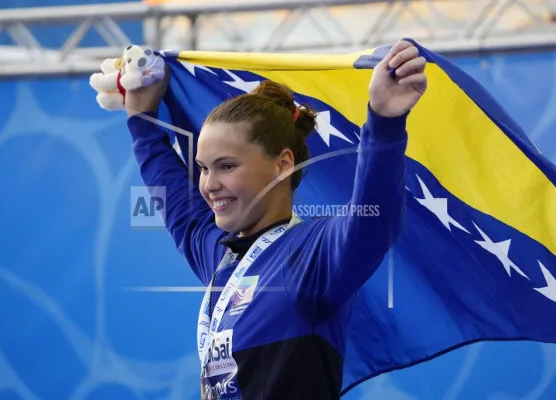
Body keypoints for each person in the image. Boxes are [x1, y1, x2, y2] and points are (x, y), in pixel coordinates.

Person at [125, 40, 427, 400]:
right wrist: (141, 121)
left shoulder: (312, 259)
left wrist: (385, 122)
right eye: (204, 169)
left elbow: (375, 220)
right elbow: (178, 207)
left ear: (282, 164)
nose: (208, 185)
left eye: (226, 166)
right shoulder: (222, 259)